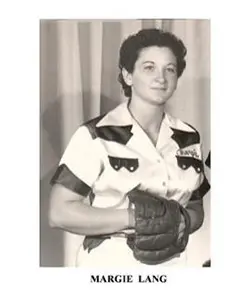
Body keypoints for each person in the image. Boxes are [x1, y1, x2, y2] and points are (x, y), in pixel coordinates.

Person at [49, 28, 210, 267]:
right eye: (149, 67)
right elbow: (59, 212)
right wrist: (135, 218)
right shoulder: (96, 135)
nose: (161, 78)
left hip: (174, 265)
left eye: (170, 69)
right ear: (127, 75)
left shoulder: (189, 137)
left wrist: (181, 220)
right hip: (109, 266)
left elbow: (196, 208)